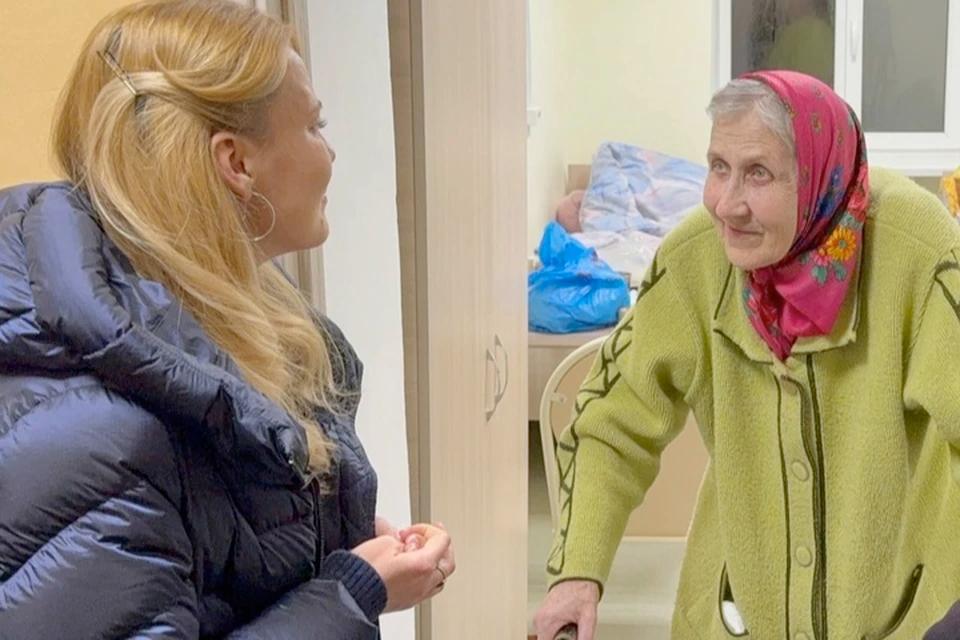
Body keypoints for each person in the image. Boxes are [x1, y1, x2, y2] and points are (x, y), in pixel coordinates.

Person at [0, 1, 454, 637]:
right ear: (236, 163)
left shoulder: (207, 329)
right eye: (315, 125)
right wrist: (352, 593)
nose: (330, 153)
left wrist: (336, 550)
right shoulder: (105, 437)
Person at [534, 70, 960, 639]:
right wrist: (577, 573)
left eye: (758, 172)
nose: (727, 204)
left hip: (903, 613)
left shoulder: (918, 248)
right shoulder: (694, 258)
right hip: (736, 611)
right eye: (718, 167)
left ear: (817, 176)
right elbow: (612, 423)